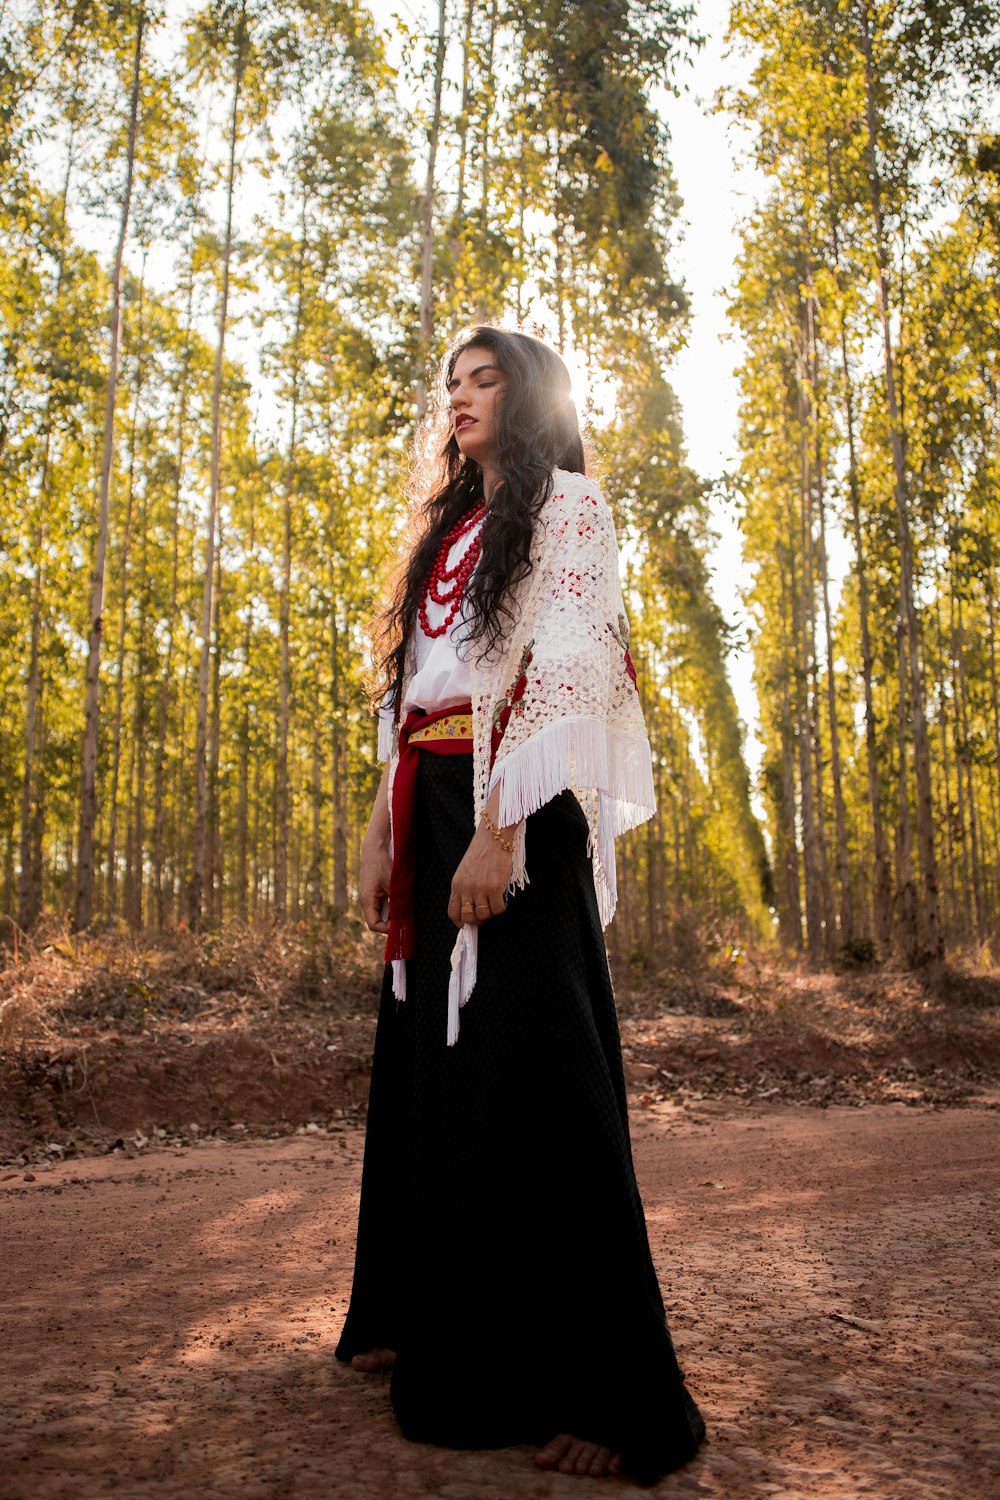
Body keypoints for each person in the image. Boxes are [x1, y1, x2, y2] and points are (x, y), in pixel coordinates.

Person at [335, 326, 705, 1483]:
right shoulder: (446, 529)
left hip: (519, 809)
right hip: (430, 796)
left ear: (532, 395)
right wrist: (384, 825)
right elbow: (413, 692)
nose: (461, 396)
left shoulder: (572, 513)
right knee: (437, 1074)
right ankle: (432, 1322)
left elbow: (567, 669)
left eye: (486, 379)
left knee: (542, 1080)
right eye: (451, 381)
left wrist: (500, 829)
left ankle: (617, 1396)